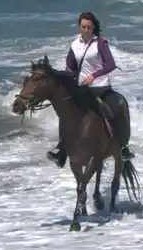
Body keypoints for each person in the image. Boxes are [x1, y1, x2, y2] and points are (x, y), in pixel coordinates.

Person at [47, 11, 135, 167]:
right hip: (83, 89)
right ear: (79, 27)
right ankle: (61, 148)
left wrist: (94, 76)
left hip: (102, 87)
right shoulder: (75, 45)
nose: (86, 30)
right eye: (83, 27)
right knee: (66, 111)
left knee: (119, 106)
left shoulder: (100, 44)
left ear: (93, 28)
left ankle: (123, 147)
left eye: (89, 27)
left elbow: (110, 64)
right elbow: (71, 68)